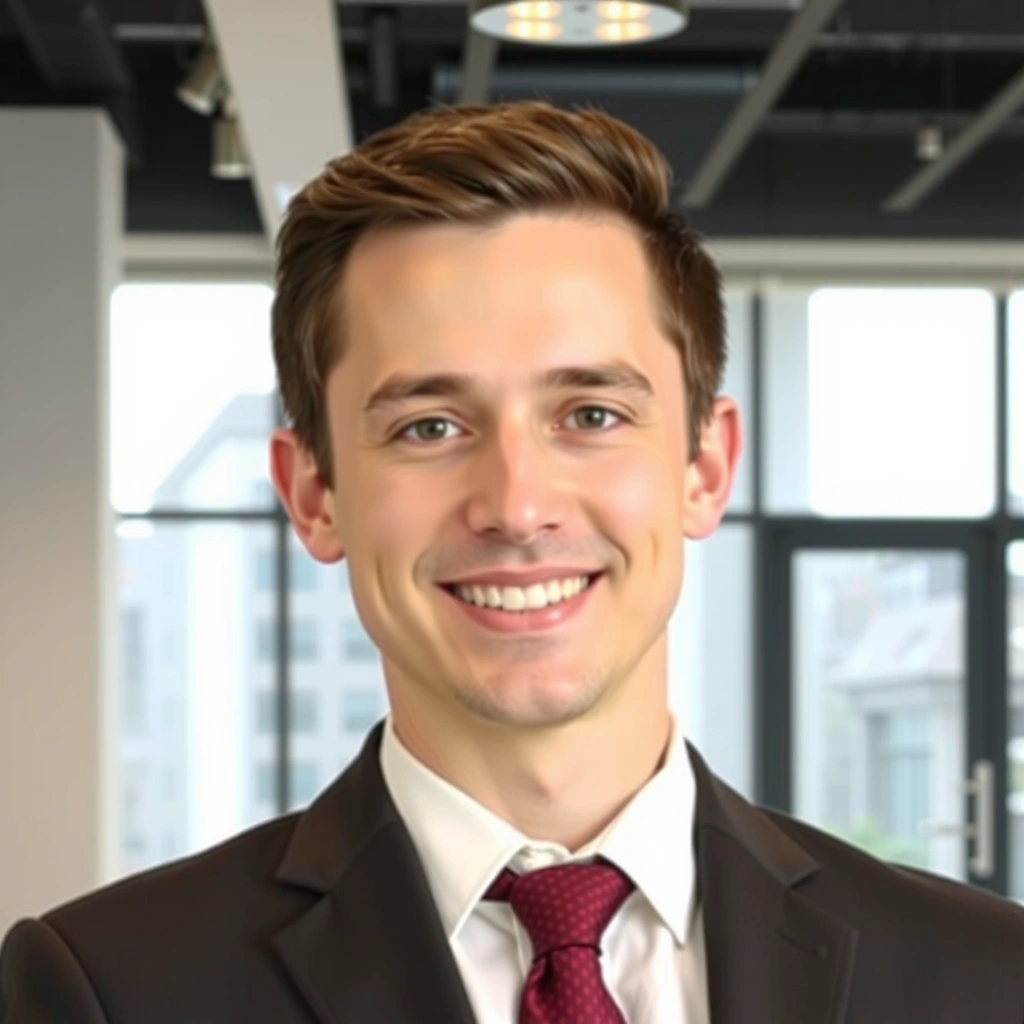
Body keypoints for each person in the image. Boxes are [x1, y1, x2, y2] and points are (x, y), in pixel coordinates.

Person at [2, 99, 1022, 1024]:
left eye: (590, 413)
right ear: (314, 494)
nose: (517, 506)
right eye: (429, 425)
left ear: (704, 466)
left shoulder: (985, 975)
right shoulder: (110, 987)